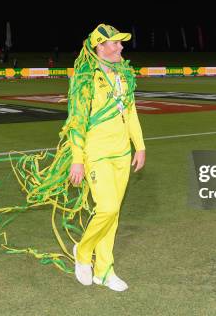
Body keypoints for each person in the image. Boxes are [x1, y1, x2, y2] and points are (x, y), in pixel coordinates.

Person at [69, 23, 146, 292]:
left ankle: (104, 270)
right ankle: (82, 251)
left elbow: (131, 111)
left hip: (122, 154)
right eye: (115, 43)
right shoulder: (84, 78)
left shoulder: (124, 75)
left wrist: (140, 146)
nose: (121, 47)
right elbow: (76, 122)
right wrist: (77, 159)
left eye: (120, 43)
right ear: (99, 47)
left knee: (113, 216)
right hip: (96, 154)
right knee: (107, 208)